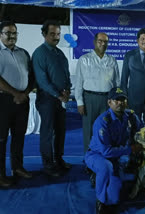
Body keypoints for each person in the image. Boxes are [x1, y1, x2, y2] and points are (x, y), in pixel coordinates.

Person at [84, 87, 144, 214]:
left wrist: (144, 143)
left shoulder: (131, 117)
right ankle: (100, 200)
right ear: (109, 102)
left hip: (115, 158)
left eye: (123, 100)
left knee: (114, 198)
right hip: (97, 155)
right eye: (116, 100)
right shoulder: (103, 121)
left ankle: (99, 178)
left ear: (127, 102)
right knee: (106, 168)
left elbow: (143, 131)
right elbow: (106, 151)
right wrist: (130, 149)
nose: (120, 103)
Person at [32, 20, 72, 177]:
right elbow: (42, 81)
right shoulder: (40, 53)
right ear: (43, 34)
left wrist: (67, 90)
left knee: (60, 131)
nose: (56, 37)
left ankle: (59, 159)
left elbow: (66, 75)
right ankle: (48, 164)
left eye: (58, 34)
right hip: (47, 99)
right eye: (52, 34)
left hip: (60, 98)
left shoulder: (59, 53)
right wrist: (59, 95)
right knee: (48, 132)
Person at [0, 21, 34, 187]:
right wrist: (15, 94)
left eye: (14, 33)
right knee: (1, 139)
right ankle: (0, 175)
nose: (12, 36)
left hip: (22, 101)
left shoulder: (24, 53)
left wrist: (24, 94)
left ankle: (17, 167)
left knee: (19, 136)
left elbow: (31, 77)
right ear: (0, 34)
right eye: (8, 33)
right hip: (3, 101)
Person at [75, 32, 120, 154]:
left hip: (108, 100)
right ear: (95, 42)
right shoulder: (84, 60)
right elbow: (78, 82)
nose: (103, 44)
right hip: (89, 99)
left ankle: (106, 156)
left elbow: (117, 83)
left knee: (107, 129)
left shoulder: (112, 60)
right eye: (100, 41)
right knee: (89, 131)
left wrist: (116, 101)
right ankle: (89, 161)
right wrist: (80, 102)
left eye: (105, 42)